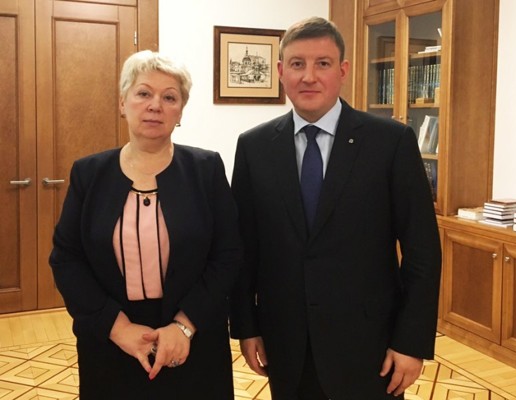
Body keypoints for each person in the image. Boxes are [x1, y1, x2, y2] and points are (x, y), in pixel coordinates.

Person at [229, 16, 442, 400]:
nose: (309, 76)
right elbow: (243, 248)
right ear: (280, 71)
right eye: (297, 64)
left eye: (322, 63)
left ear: (342, 71)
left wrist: (411, 341)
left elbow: (422, 251)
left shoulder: (390, 142)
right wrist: (247, 327)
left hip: (370, 346)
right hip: (285, 342)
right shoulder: (254, 147)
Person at [49, 50, 241, 399]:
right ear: (123, 103)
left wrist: (184, 327)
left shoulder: (206, 169)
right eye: (143, 93)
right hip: (111, 341)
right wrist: (117, 327)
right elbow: (66, 258)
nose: (155, 105)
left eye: (169, 97)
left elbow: (227, 255)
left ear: (180, 111)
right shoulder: (89, 173)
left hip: (194, 340)